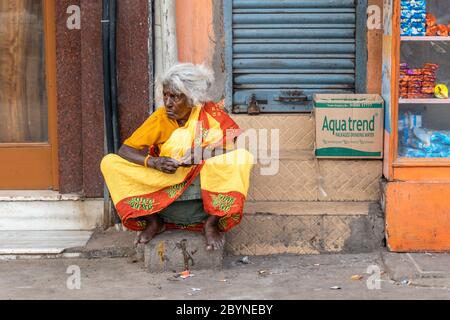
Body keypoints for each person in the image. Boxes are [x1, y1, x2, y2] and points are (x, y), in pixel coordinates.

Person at [100, 63, 254, 251]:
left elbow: (230, 140)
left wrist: (202, 154)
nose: (168, 102)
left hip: (199, 181)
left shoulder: (209, 113)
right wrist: (153, 162)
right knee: (109, 162)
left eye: (175, 96)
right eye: (165, 95)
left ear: (191, 98)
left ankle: (211, 223)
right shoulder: (160, 118)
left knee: (242, 157)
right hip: (165, 180)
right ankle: (154, 221)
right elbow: (124, 151)